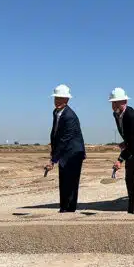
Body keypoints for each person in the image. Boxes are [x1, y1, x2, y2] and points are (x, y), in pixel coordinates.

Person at [46, 84, 86, 213]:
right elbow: (55, 133)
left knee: (71, 181)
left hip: (74, 152)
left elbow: (65, 139)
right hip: (65, 151)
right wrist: (53, 152)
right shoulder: (56, 112)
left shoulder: (70, 116)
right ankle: (64, 207)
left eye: (61, 99)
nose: (57, 101)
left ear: (67, 100)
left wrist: (53, 160)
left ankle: (69, 209)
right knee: (63, 180)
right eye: (56, 98)